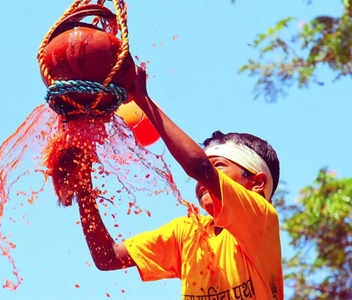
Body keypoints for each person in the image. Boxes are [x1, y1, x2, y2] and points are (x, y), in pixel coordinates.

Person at [76, 66, 283, 300]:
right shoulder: (189, 234)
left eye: (219, 166)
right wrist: (82, 180)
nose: (202, 179)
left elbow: (199, 168)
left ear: (256, 184)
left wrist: (143, 100)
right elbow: (108, 257)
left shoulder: (261, 218)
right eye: (210, 167)